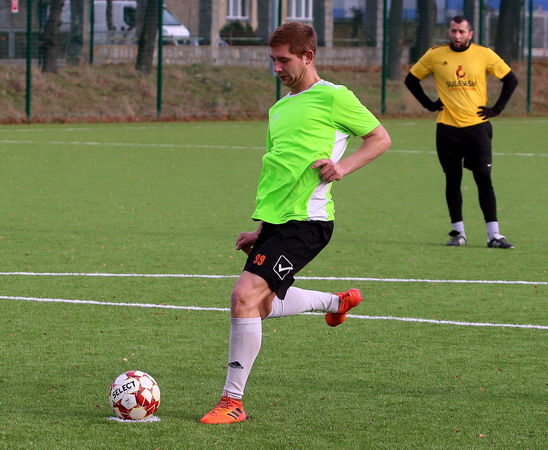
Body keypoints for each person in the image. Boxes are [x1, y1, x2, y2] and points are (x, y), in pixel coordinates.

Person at [200, 21, 391, 424]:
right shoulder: (279, 109)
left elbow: (379, 138)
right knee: (261, 305)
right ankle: (336, 303)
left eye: (284, 60)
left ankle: (232, 402)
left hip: (309, 222)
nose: (277, 68)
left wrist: (343, 167)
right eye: (273, 60)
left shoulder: (334, 97)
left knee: (243, 296)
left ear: (308, 56)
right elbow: (278, 174)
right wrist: (261, 229)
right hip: (277, 222)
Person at [404, 15, 518, 248]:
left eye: (462, 31)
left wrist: (497, 109)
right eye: (454, 31)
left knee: (484, 179)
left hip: (477, 128)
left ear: (470, 34)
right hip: (447, 129)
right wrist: (429, 104)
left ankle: (494, 235)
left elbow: (511, 80)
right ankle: (458, 233)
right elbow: (411, 80)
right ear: (449, 32)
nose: (457, 35)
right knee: (452, 180)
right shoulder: (435, 54)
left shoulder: (484, 54)